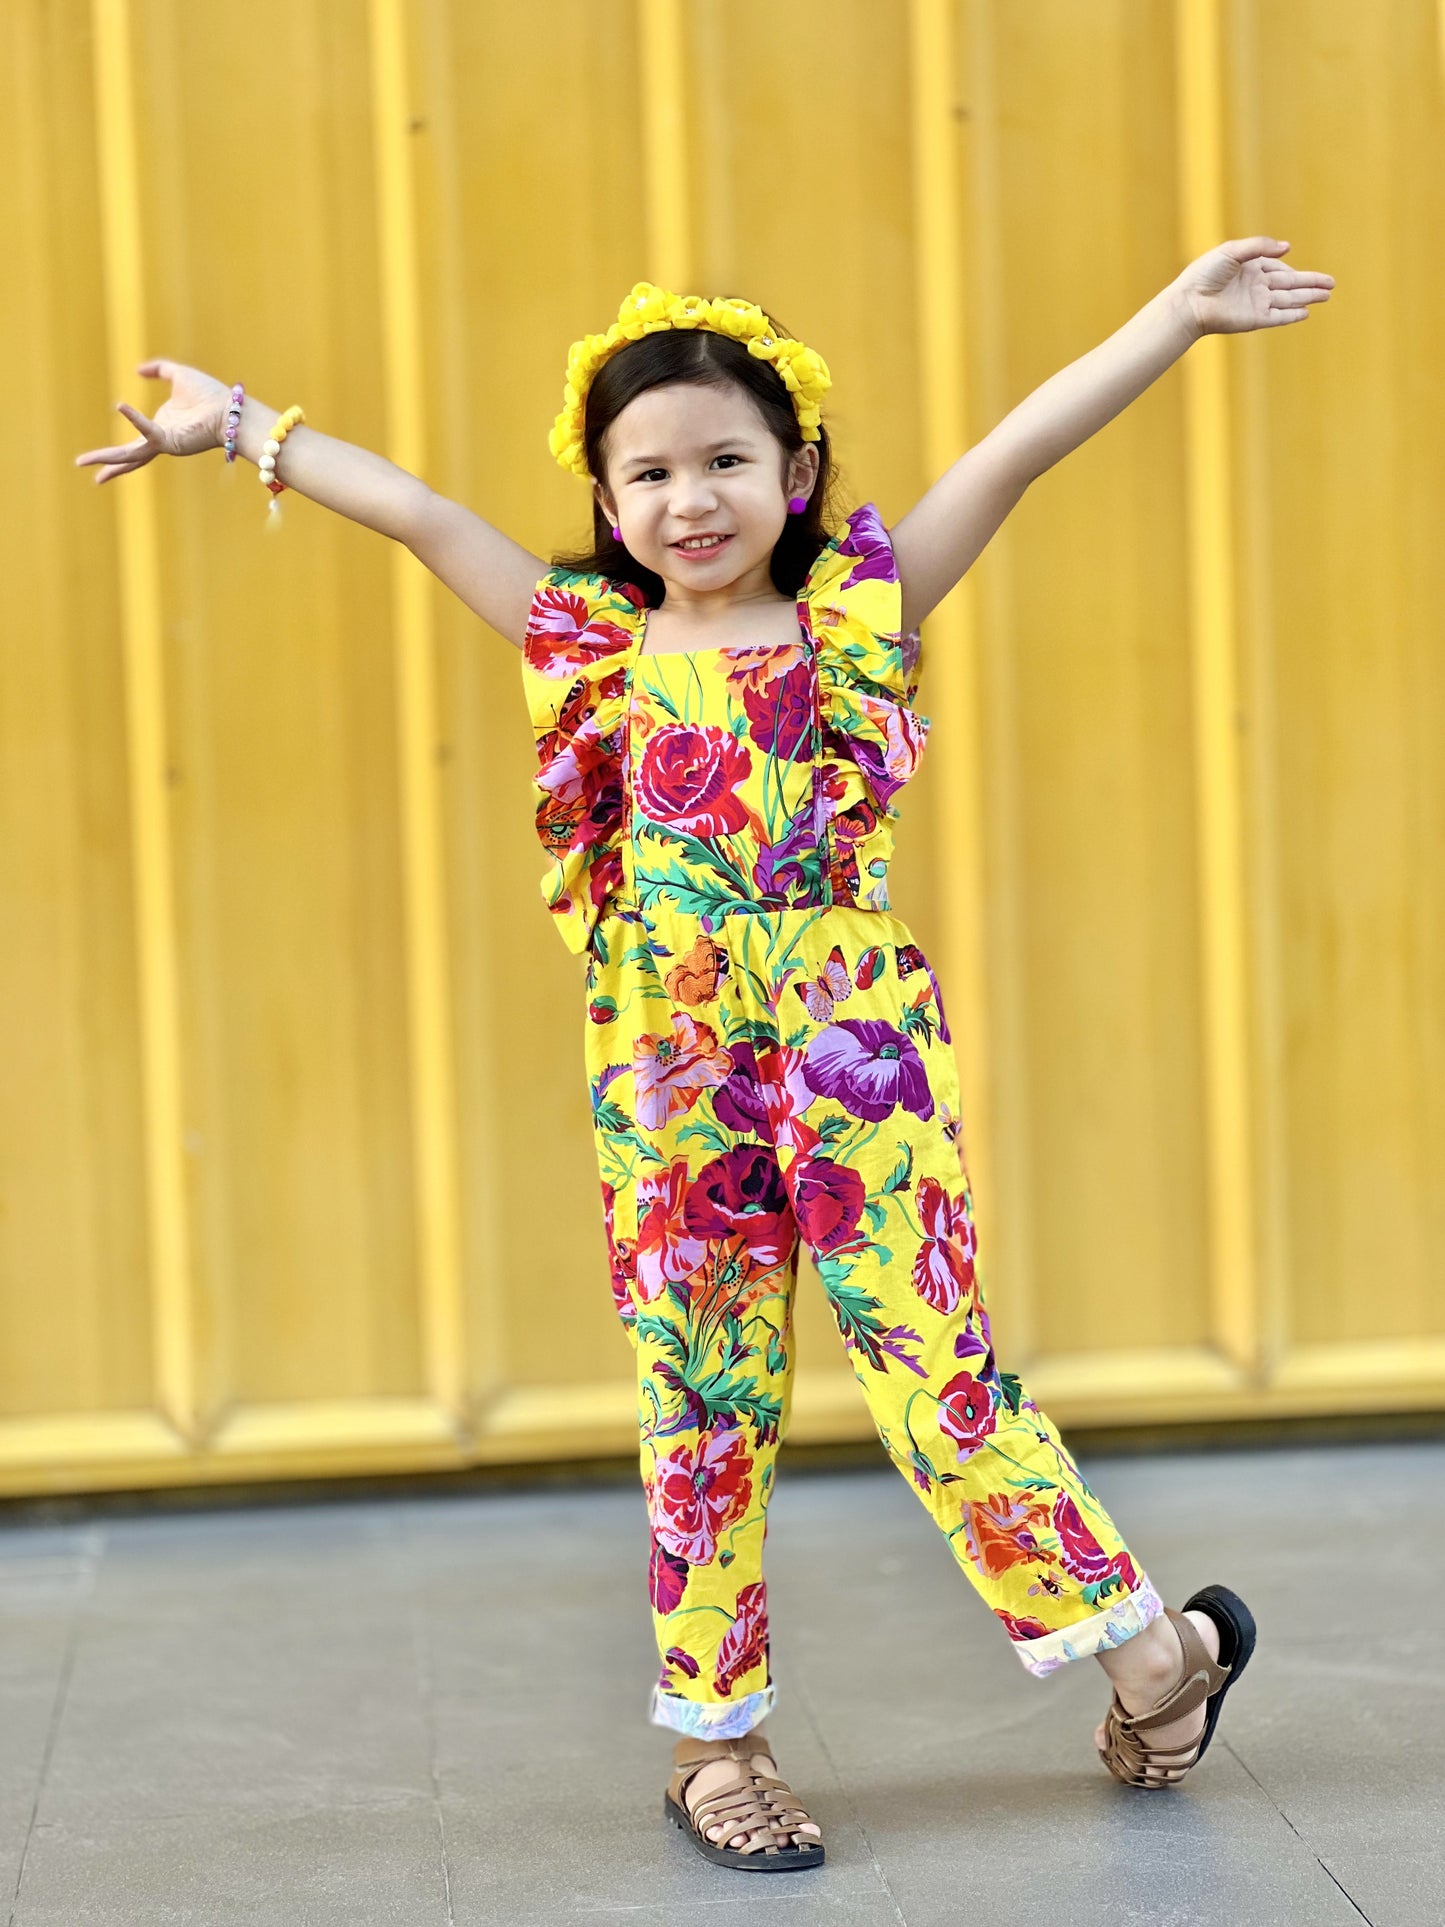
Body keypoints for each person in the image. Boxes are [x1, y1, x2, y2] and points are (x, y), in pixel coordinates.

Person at [74, 237, 1333, 1873]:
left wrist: (1171, 316)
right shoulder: (586, 647)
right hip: (669, 1070)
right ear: (607, 503)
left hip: (854, 1052)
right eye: (649, 472)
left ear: (793, 471)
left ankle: (1154, 1658)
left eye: (726, 460)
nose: (691, 500)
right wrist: (239, 424)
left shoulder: (850, 612)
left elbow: (1011, 450)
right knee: (700, 1395)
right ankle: (716, 1749)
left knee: (940, 1381)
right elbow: (418, 515)